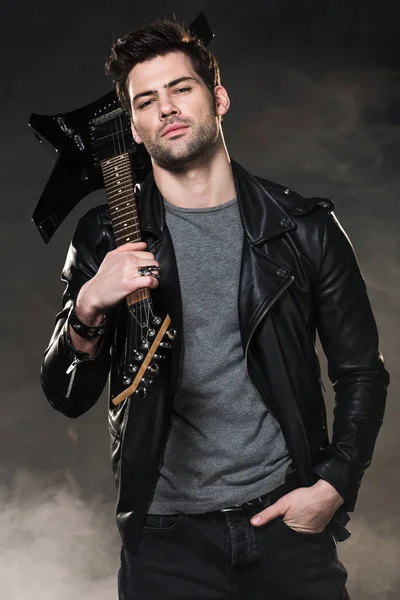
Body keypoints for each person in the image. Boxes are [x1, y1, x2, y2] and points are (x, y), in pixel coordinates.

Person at [40, 18, 390, 600]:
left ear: (218, 98)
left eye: (182, 89)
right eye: (147, 100)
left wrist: (334, 486)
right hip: (166, 540)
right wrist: (90, 306)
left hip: (286, 525)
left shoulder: (301, 229)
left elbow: (361, 371)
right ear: (134, 124)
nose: (167, 108)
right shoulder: (106, 236)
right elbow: (67, 395)